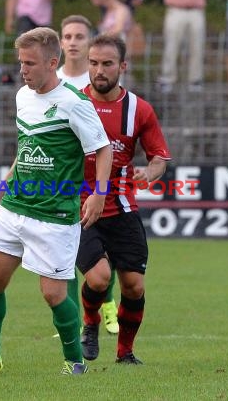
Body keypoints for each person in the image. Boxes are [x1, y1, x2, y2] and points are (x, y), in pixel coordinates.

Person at [0, 27, 113, 376]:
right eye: (20, 63)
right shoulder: (22, 97)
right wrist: (4, 186)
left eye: (30, 63)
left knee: (53, 294)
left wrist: (99, 193)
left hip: (54, 214)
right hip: (16, 205)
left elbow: (103, 148)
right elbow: (25, 148)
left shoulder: (75, 103)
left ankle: (75, 362)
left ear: (52, 62)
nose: (23, 70)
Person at [79, 33, 172, 364]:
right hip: (82, 207)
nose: (99, 70)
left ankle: (125, 353)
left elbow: (159, 156)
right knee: (99, 277)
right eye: (93, 63)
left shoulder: (139, 109)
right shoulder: (73, 104)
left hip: (123, 207)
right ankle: (90, 324)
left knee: (133, 286)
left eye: (106, 64)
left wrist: (150, 171)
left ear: (122, 66)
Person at [56, 14, 120, 335]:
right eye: (67, 37)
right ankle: (71, 316)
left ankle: (106, 304)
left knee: (100, 247)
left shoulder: (100, 77)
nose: (73, 42)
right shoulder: (50, 79)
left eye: (79, 36)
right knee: (61, 250)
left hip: (95, 177)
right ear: (60, 41)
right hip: (62, 176)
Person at [158, 0, 206, 93]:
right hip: (175, 9)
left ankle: (195, 80)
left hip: (196, 10)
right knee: (171, 46)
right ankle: (167, 78)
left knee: (197, 47)